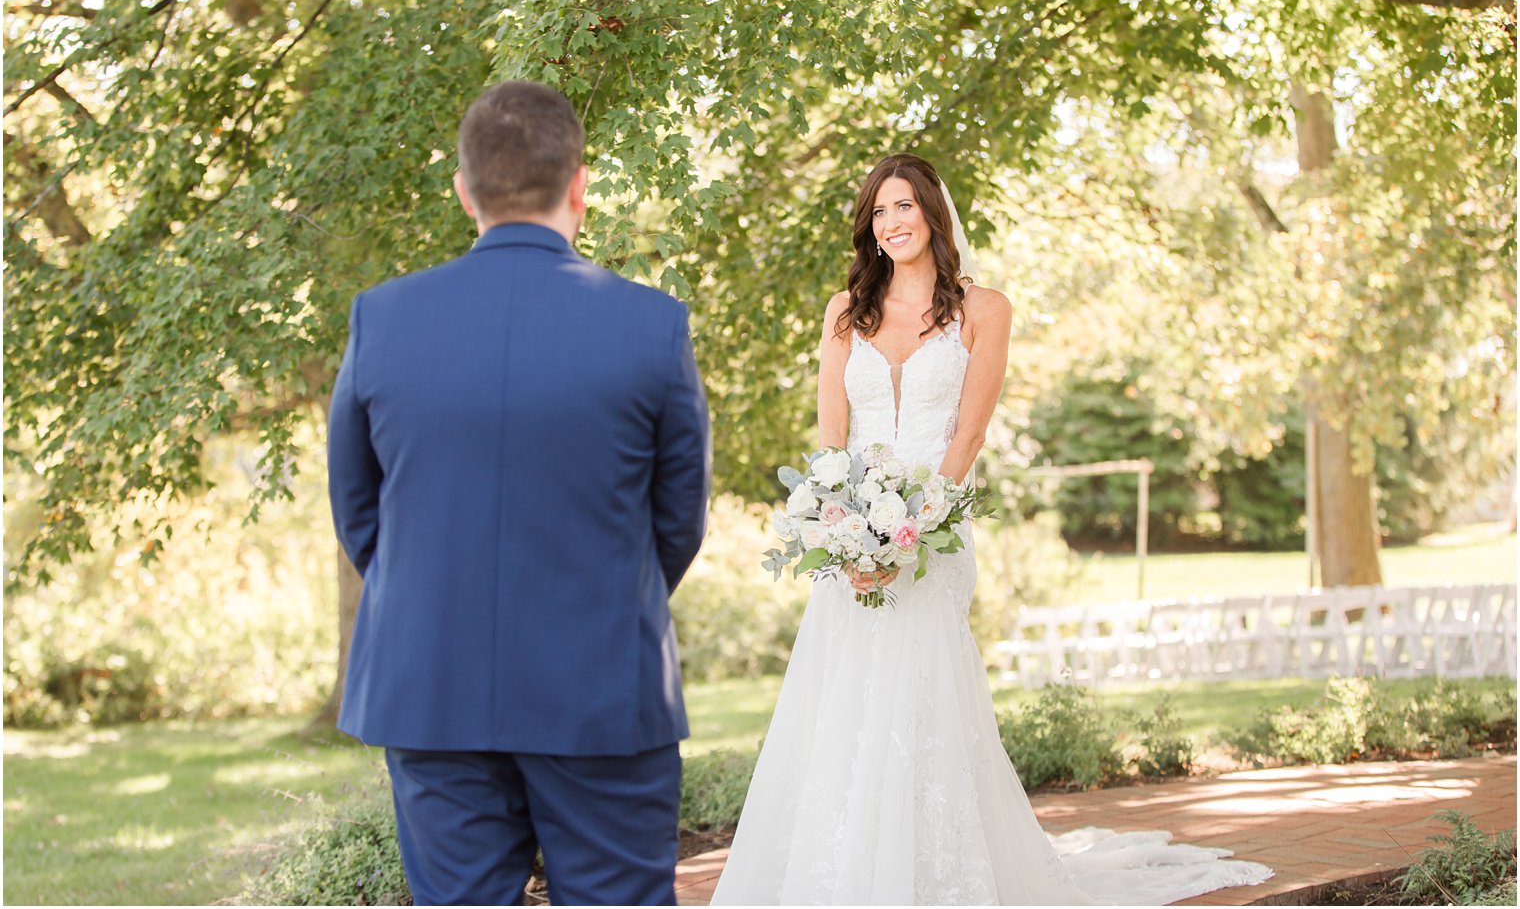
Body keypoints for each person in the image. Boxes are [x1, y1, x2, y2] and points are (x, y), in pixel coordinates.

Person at [710, 153, 1272, 905]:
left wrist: (910, 533)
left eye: (904, 206)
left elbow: (968, 438)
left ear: (934, 214)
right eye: (879, 212)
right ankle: (843, 873)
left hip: (934, 535)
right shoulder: (846, 312)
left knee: (920, 687)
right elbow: (829, 442)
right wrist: (843, 533)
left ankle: (932, 873)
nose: (892, 223)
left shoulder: (985, 310)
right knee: (843, 692)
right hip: (851, 544)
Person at [327, 81, 711, 906]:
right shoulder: (650, 325)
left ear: (463, 189)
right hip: (603, 682)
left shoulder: (382, 318)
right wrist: (607, 597)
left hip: (430, 680)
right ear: (580, 184)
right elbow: (677, 520)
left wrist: (432, 587)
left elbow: (359, 510)